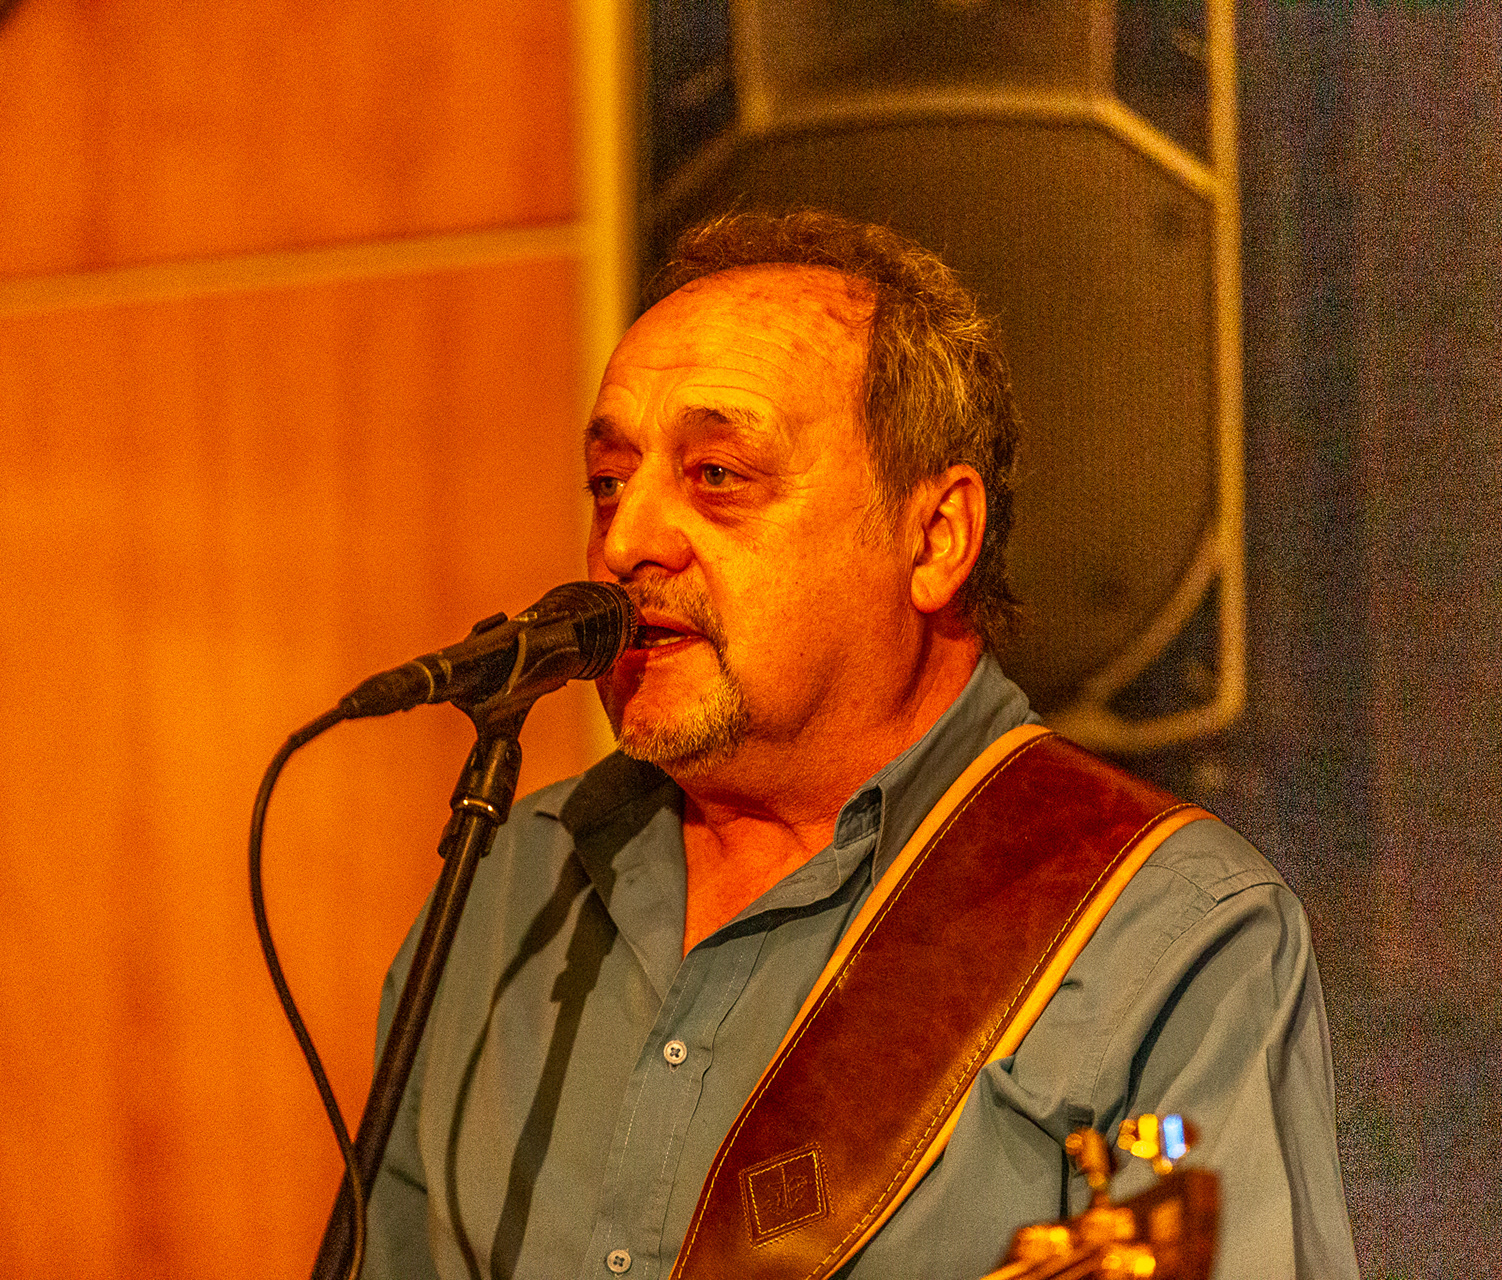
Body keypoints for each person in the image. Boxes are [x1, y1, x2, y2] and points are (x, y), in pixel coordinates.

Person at [363, 210, 1358, 1280]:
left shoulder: (1171, 936)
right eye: (610, 481)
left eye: (717, 475)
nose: (627, 540)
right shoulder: (506, 886)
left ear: (935, 538)